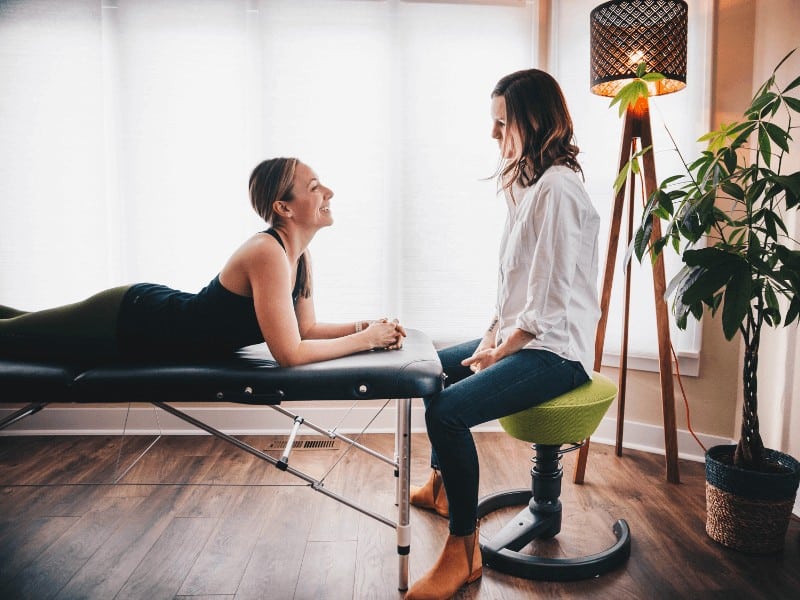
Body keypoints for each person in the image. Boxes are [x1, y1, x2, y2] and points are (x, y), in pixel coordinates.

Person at [404, 69, 600, 599]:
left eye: (501, 123)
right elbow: (510, 291)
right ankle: (444, 486)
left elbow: (548, 301)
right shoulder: (527, 184)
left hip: (556, 352)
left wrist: (501, 351)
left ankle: (462, 552)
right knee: (435, 368)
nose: (493, 135)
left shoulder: (558, 188)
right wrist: (491, 337)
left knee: (447, 410)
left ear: (532, 121)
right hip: (527, 336)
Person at [0, 158, 405, 365]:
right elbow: (289, 354)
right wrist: (365, 341)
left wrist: (367, 327)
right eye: (315, 187)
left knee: (18, 323)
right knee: (10, 336)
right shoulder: (267, 252)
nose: (329, 191)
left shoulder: (299, 258)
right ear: (283, 206)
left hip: (145, 317)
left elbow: (306, 329)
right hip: (128, 321)